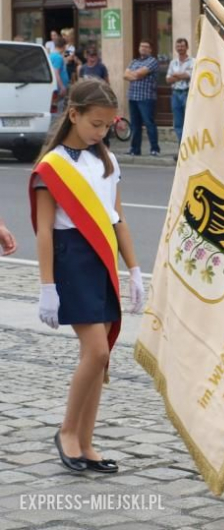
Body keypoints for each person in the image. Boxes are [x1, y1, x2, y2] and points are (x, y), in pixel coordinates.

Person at [30, 78, 144, 474]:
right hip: (70, 260)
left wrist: (134, 269)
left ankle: (86, 441)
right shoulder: (52, 167)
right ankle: (66, 432)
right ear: (73, 115)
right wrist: (47, 286)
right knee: (95, 350)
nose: (101, 132)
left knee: (100, 358)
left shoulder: (107, 161)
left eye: (107, 126)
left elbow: (118, 219)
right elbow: (44, 230)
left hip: (102, 259)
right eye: (95, 124)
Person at [123, 40, 160, 156]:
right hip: (133, 96)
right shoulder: (134, 61)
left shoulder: (152, 61)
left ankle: (154, 149)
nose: (143, 48)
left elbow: (139, 74)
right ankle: (135, 149)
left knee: (149, 123)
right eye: (141, 46)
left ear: (150, 50)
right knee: (135, 125)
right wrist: (135, 75)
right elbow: (125, 75)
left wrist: (133, 75)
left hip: (146, 97)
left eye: (146, 47)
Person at [165, 37, 193, 143]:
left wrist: (176, 75)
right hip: (175, 94)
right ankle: (181, 148)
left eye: (182, 46)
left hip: (187, 93)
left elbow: (189, 75)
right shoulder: (173, 62)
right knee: (178, 123)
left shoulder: (192, 61)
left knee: (189, 122)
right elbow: (168, 79)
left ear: (187, 47)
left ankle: (188, 147)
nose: (180, 48)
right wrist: (181, 75)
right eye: (178, 46)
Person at [49, 37, 70, 113]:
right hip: (59, 88)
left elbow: (66, 59)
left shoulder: (52, 55)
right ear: (64, 46)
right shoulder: (58, 57)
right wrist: (62, 87)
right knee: (59, 110)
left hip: (57, 87)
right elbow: (56, 72)